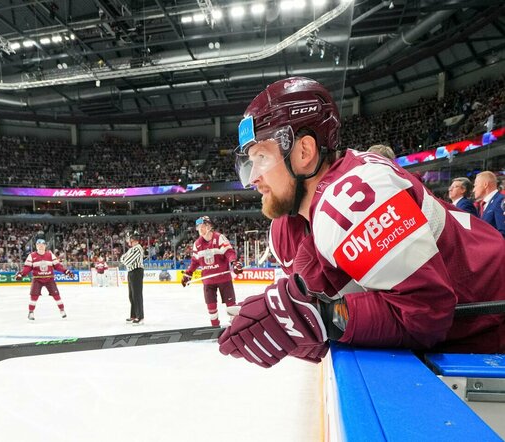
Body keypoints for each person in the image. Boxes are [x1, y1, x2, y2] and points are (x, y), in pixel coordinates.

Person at [219, 77, 505, 369]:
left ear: (304, 151)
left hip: (493, 330)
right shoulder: (304, 217)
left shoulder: (351, 197)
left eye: (262, 158)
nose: (253, 177)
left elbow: (425, 312)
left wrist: (321, 317)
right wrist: (296, 318)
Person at [181, 216, 243, 326]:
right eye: (198, 227)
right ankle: (214, 326)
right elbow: (195, 261)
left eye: (202, 227)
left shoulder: (219, 238)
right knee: (211, 306)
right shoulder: (197, 244)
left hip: (224, 279)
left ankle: (235, 325)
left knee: (231, 305)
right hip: (208, 281)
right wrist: (188, 273)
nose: (200, 229)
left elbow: (229, 252)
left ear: (209, 226)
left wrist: (234, 262)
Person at [15, 239, 74, 321]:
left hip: (49, 278)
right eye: (39, 244)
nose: (41, 246)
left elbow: (57, 266)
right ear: (36, 246)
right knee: (34, 296)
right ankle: (31, 312)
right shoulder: (31, 256)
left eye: (43, 244)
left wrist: (66, 271)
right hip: (37, 279)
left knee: (56, 295)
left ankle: (62, 310)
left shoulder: (50, 255)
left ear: (45, 246)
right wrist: (22, 274)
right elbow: (27, 268)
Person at [120, 231, 145, 325]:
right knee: (132, 295)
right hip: (131, 272)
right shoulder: (132, 249)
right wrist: (124, 259)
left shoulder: (137, 248)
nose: (127, 241)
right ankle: (134, 315)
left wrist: (124, 259)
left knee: (137, 295)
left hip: (136, 271)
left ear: (132, 240)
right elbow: (122, 258)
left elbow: (127, 260)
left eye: (128, 239)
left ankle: (140, 317)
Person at [474, 171, 505, 237]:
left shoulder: (500, 201)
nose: (474, 190)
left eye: (475, 185)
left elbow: (503, 233)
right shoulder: (483, 204)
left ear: (485, 185)